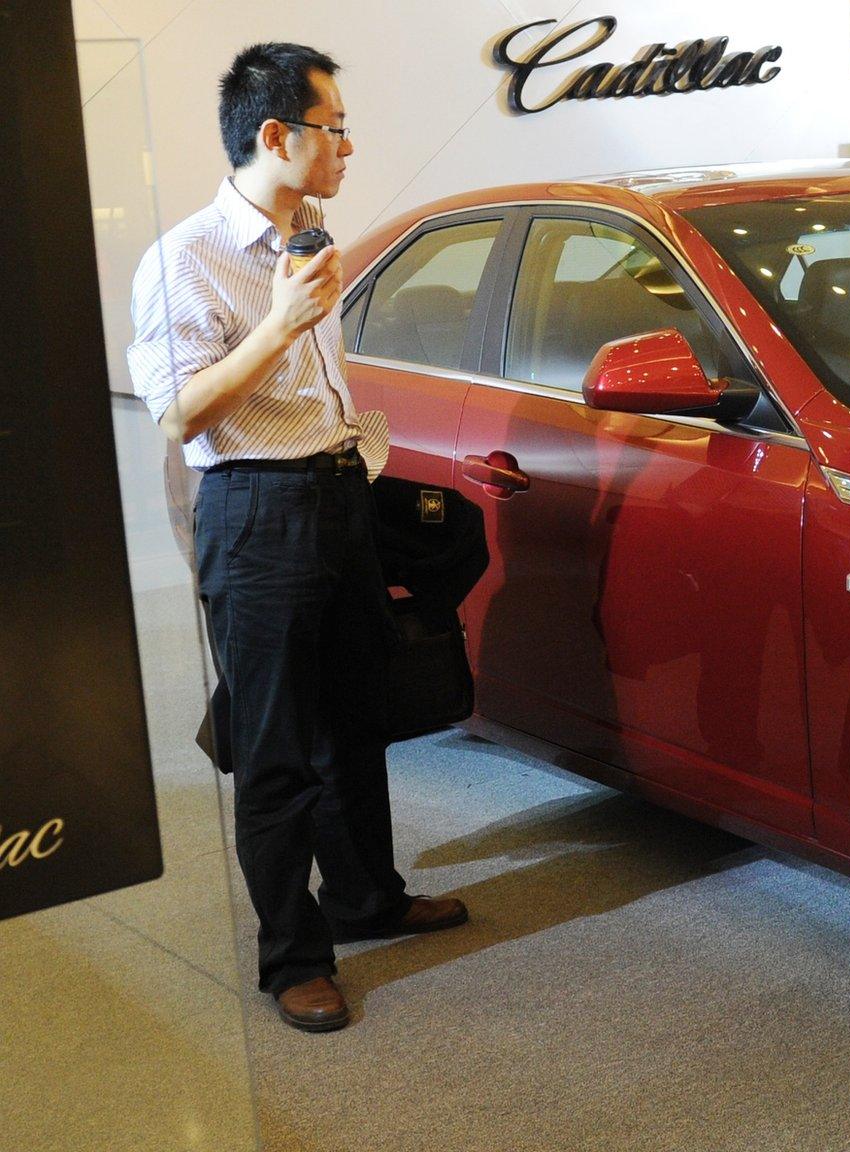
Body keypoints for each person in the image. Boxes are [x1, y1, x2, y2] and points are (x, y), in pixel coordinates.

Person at [127, 42, 467, 1034]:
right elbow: (177, 415)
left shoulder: (309, 233)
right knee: (275, 750)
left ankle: (365, 897)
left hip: (334, 499)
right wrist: (276, 326)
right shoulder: (183, 257)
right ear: (276, 135)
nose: (350, 145)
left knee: (355, 724)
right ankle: (292, 959)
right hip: (255, 512)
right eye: (334, 127)